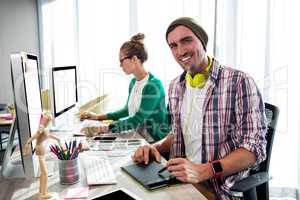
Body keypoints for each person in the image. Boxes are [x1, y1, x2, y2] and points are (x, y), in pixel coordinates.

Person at [132, 17, 267, 199]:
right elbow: (179, 133)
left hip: (218, 187)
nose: (180, 50)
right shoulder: (175, 86)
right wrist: (154, 147)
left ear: (202, 42)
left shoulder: (239, 82)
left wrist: (205, 171)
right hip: (180, 180)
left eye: (187, 40)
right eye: (173, 45)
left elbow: (253, 151)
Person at [80, 33, 169, 142]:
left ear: (134, 59)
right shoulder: (133, 82)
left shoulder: (153, 86)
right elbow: (126, 110)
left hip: (154, 140)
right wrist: (98, 117)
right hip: (139, 135)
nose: (120, 65)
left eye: (121, 60)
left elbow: (138, 119)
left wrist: (105, 128)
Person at [24, 113, 60, 200]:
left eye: (50, 120)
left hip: (42, 149)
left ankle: (41, 192)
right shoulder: (41, 128)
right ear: (45, 119)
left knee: (43, 173)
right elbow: (35, 136)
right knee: (45, 173)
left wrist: (57, 139)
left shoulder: (45, 128)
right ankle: (43, 194)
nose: (49, 121)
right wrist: (28, 144)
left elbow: (48, 135)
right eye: (48, 119)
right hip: (39, 149)